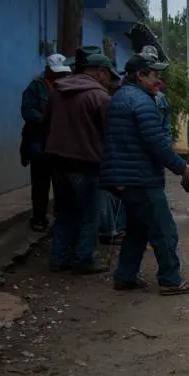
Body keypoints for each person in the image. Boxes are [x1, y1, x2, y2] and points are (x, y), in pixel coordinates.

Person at [101, 52, 189, 296]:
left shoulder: (121, 98)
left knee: (137, 229)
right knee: (164, 230)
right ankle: (170, 280)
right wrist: (182, 167)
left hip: (126, 177)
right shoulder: (142, 102)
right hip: (140, 178)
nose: (159, 81)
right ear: (139, 75)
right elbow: (156, 143)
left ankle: (125, 275)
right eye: (154, 75)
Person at [44, 52, 117, 274]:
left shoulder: (57, 92)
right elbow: (109, 133)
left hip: (57, 162)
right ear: (101, 73)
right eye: (107, 75)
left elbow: (45, 123)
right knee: (89, 215)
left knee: (65, 212)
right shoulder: (100, 97)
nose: (108, 81)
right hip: (87, 163)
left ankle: (59, 258)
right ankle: (83, 259)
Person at [21, 54, 71, 232]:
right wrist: (46, 120)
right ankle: (39, 218)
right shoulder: (36, 86)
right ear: (48, 69)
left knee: (61, 181)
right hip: (39, 140)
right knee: (41, 182)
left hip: (59, 141)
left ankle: (60, 216)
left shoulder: (66, 84)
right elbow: (27, 111)